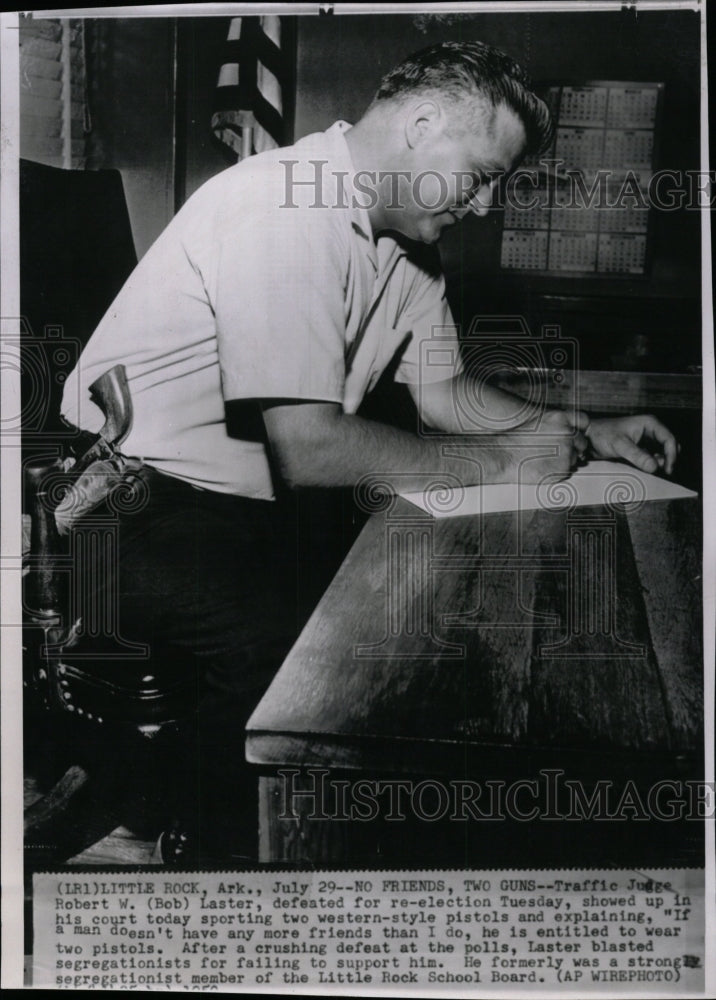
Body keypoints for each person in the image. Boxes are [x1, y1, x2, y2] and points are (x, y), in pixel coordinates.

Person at [60, 40, 678, 863]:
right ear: (422, 126)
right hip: (125, 513)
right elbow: (308, 448)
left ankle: (190, 800)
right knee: (313, 665)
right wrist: (503, 466)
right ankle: (189, 836)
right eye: (482, 175)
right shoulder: (282, 204)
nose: (488, 206)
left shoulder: (409, 250)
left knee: (402, 628)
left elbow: (445, 393)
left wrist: (576, 428)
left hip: (232, 511)